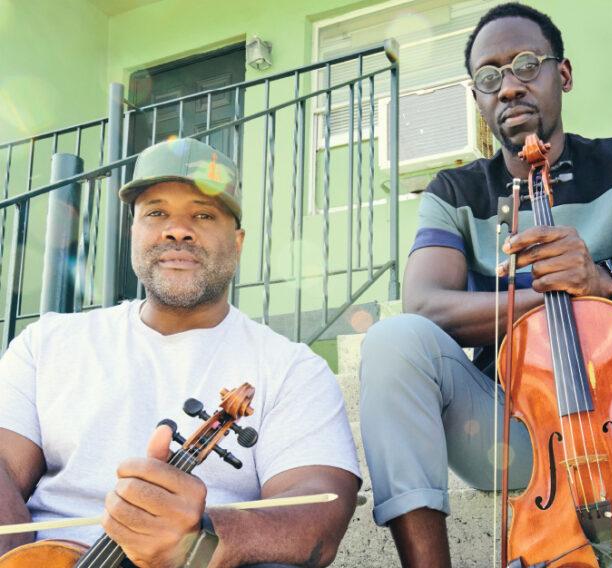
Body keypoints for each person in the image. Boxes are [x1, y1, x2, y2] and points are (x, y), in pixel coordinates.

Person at [358, 3, 612, 567]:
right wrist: (550, 294)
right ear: (477, 98)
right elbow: (426, 304)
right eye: (489, 77)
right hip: (515, 428)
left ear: (561, 74)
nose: (509, 87)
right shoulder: (454, 189)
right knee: (392, 341)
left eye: (525, 65)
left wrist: (599, 278)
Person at [0, 137, 361, 568]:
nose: (178, 230)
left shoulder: (292, 368)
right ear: (134, 232)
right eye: (156, 213)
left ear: (239, 241)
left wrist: (200, 540)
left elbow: (318, 507)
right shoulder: (47, 343)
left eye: (203, 214)